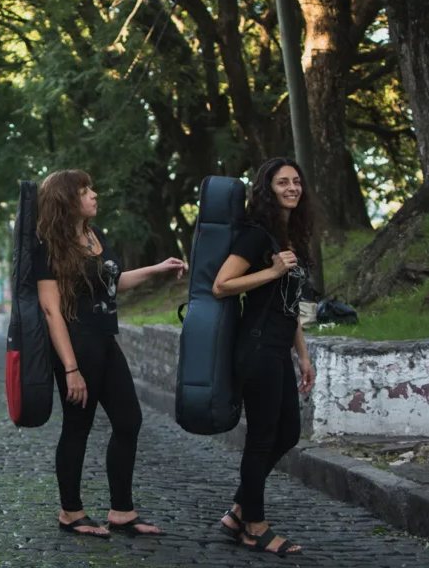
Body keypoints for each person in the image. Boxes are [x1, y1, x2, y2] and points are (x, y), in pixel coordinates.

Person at [34, 169, 187, 538]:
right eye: (85, 191)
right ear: (67, 200)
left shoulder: (94, 235)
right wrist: (71, 368)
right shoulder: (47, 244)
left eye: (91, 188)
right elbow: (51, 310)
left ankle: (122, 511)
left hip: (105, 339)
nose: (94, 195)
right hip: (77, 345)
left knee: (128, 421)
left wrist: (157, 270)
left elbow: (112, 282)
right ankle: (70, 511)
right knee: (78, 427)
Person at [213, 157, 316, 557]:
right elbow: (223, 285)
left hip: (277, 348)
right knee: (261, 439)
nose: (292, 187)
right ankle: (254, 526)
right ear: (266, 190)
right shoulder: (256, 236)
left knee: (288, 432)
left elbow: (288, 307)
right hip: (255, 348)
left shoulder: (287, 236)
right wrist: (271, 272)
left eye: (296, 181)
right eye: (281, 182)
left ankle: (239, 509)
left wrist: (303, 357)